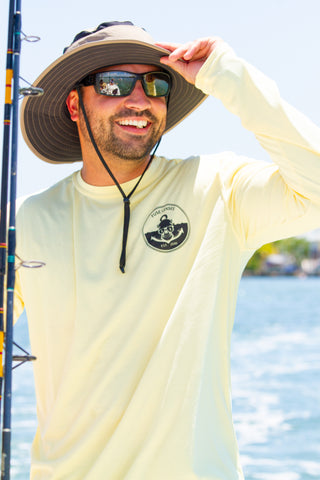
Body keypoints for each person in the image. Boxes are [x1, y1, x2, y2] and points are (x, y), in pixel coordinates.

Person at [17, 20, 320, 480]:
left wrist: (228, 74)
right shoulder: (27, 222)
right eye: (114, 84)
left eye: (155, 84)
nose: (139, 100)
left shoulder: (218, 188)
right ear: (75, 104)